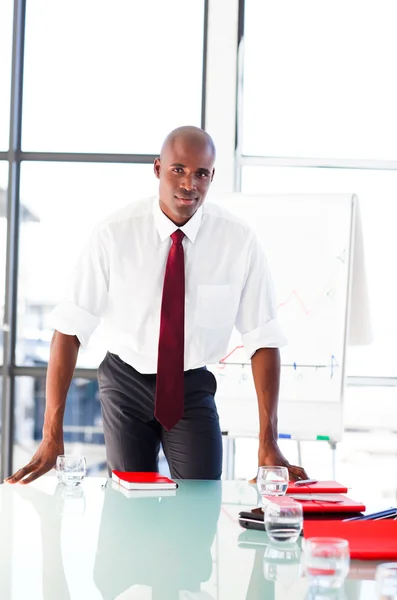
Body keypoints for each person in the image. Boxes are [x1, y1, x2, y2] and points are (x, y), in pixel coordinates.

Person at [5, 125, 308, 484]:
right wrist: (51, 433)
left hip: (190, 385)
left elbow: (263, 338)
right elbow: (69, 329)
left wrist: (267, 439)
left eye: (201, 174)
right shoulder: (113, 234)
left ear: (212, 177)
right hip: (124, 381)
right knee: (129, 503)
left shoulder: (238, 241)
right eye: (178, 169)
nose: (189, 184)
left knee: (201, 498)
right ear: (157, 169)